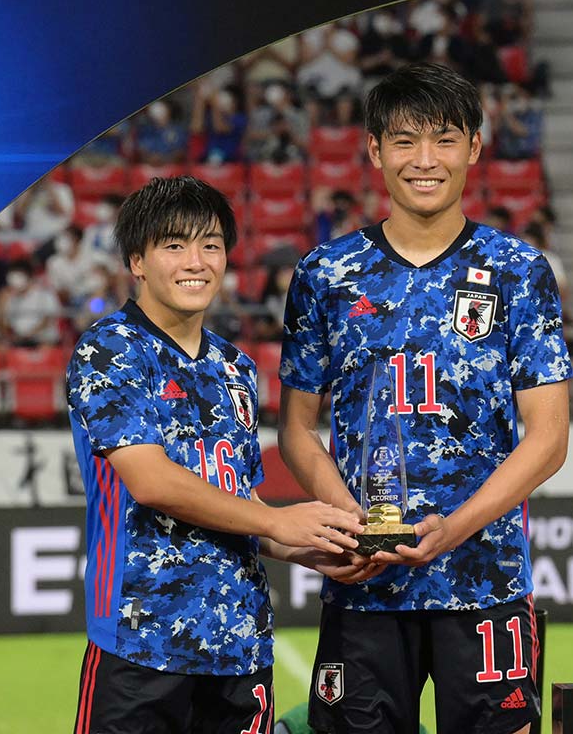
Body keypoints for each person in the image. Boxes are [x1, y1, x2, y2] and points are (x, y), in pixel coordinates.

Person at [277, 62, 572, 734]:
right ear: (374, 150)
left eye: (444, 140)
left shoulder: (518, 270)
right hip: (364, 586)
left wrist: (454, 528)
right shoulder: (326, 273)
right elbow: (295, 429)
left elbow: (549, 438)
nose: (425, 160)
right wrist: (351, 518)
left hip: (484, 580)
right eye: (404, 141)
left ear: (475, 147)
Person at [65, 176, 364, 734]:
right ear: (137, 261)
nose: (196, 262)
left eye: (211, 245)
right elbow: (152, 482)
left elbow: (238, 501)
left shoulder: (235, 367)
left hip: (240, 647)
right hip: (140, 641)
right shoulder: (110, 348)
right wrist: (277, 521)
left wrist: (305, 548)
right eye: (174, 245)